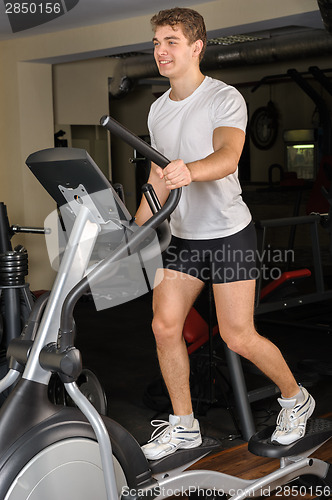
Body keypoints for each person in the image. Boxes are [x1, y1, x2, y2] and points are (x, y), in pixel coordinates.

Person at [135, 7, 315, 461]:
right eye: (156, 43)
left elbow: (228, 157)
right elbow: (158, 176)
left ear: (197, 47)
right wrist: (134, 226)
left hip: (228, 234)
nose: (161, 51)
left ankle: (296, 400)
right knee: (164, 325)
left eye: (171, 41)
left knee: (237, 335)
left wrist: (186, 170)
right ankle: (184, 426)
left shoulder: (223, 97)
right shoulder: (157, 110)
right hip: (184, 238)